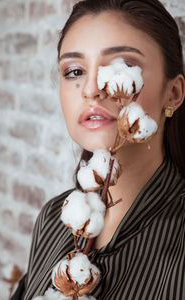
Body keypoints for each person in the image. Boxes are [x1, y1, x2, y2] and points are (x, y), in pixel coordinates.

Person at [11, 0, 185, 299]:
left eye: (124, 66)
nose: (92, 88)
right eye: (75, 71)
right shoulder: (54, 218)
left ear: (173, 93)